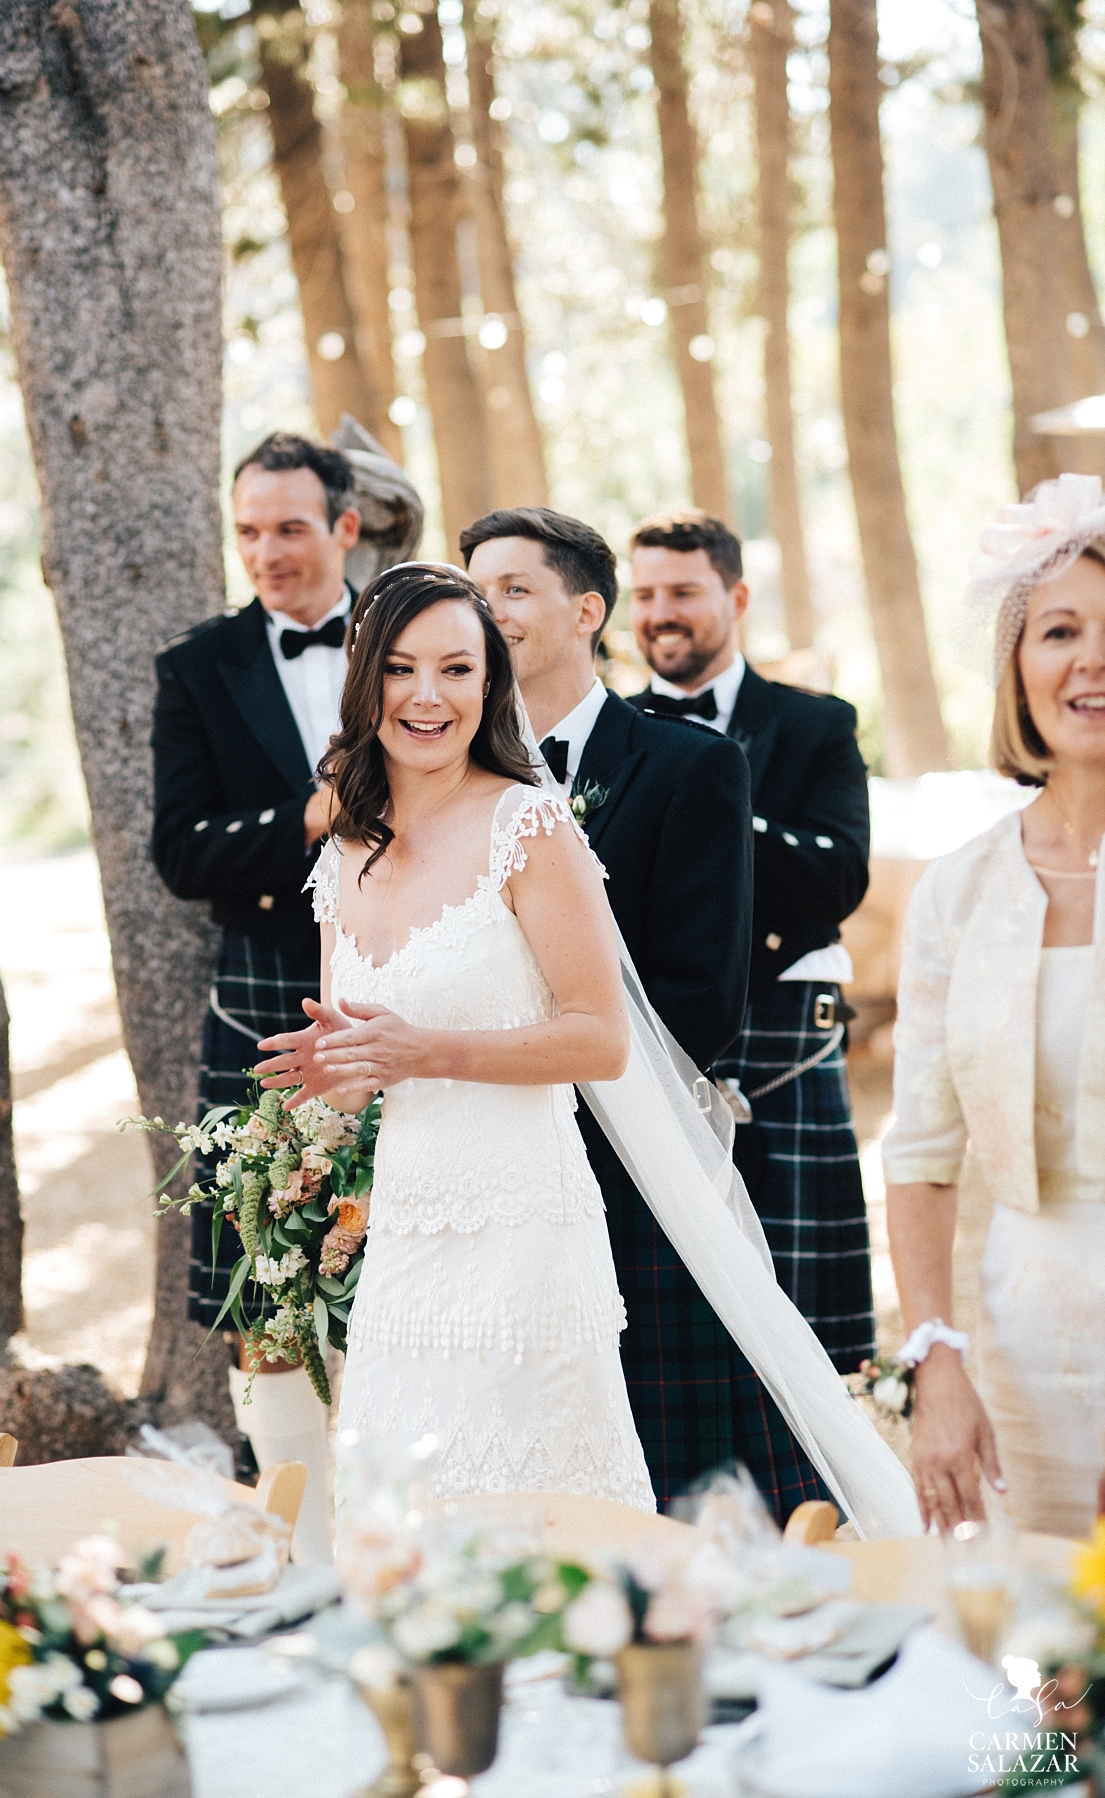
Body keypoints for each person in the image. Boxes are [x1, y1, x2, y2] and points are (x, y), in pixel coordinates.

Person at [254, 563, 656, 1511]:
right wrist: (331, 1080)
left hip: (524, 1225)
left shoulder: (529, 825)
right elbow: (364, 1059)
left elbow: (602, 1040)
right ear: (366, 683)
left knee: (525, 1513)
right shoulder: (345, 849)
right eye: (400, 669)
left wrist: (425, 1051)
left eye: (456, 669)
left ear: (490, 685)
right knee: (405, 1513)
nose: (427, 697)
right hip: (405, 1233)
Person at [460, 507, 828, 1523]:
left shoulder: (689, 766)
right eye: (474, 591)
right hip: (488, 1171)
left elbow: (704, 1000)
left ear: (588, 609)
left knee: (675, 1476)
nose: (486, 614)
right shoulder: (447, 781)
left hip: (635, 1168)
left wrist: (559, 1082)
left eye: (513, 589)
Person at [151, 432, 363, 1558]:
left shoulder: (419, 636)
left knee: (402, 1270)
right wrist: (306, 822)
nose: (268, 552)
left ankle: (402, 1531)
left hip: (405, 995)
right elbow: (181, 851)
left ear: (344, 527)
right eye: (249, 531)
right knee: (266, 1294)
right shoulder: (198, 666)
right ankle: (298, 1545)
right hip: (263, 1008)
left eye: (289, 527)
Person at [884, 473, 1105, 1539]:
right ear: (1018, 666)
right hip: (1025, 1343)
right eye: (1060, 630)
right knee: (1051, 1674)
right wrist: (938, 1361)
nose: (1090, 660)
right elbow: (921, 1157)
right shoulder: (960, 891)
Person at [628, 511, 875, 1377]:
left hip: (783, 1035)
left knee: (806, 1325)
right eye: (646, 594)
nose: (662, 612)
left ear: (734, 597)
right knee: (680, 1319)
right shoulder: (619, 733)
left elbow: (839, 879)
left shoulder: (816, 725)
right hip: (663, 1034)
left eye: (684, 592)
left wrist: (715, 799)